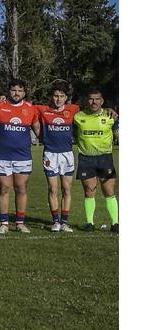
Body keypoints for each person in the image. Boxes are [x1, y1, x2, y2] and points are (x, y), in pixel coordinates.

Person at [0, 80, 39, 234]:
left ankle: (20, 223)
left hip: (23, 156)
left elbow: (38, 128)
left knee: (21, 188)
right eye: (13, 90)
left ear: (24, 93)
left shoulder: (30, 108)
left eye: (19, 91)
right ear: (8, 92)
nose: (16, 93)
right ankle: (4, 223)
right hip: (2, 156)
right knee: (4, 188)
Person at [37, 82, 80, 232]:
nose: (58, 99)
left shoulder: (74, 109)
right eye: (56, 95)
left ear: (66, 97)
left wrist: (108, 110)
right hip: (50, 154)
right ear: (51, 97)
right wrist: (4, 99)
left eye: (62, 96)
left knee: (67, 188)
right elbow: (23, 107)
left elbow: (92, 110)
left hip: (67, 154)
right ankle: (56, 222)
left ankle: (65, 222)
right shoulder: (43, 110)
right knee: (53, 189)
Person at [74, 89, 118, 233]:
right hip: (86, 158)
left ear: (102, 101)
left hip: (105, 157)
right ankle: (90, 223)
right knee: (89, 191)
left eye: (97, 99)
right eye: (91, 99)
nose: (94, 102)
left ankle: (115, 223)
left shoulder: (110, 116)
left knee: (109, 190)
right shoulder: (78, 116)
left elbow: (118, 133)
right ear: (87, 100)